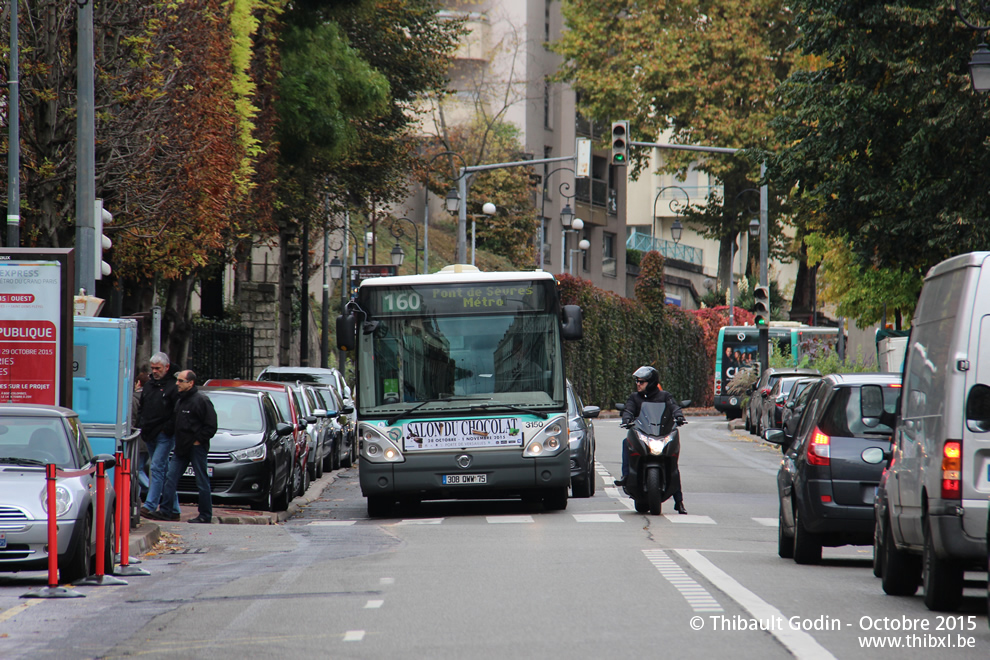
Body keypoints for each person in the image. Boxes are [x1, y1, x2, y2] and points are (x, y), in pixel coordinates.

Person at [614, 365, 688, 514]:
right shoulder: (634, 398)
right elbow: (628, 409)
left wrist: (679, 416)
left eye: (642, 381)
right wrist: (626, 418)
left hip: (661, 434)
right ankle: (626, 475)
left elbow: (674, 407)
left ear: (652, 382)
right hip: (643, 434)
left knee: (673, 463)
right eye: (637, 381)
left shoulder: (665, 396)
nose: (638, 384)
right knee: (625, 442)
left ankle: (679, 501)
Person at [151, 370, 218, 524]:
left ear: (191, 383)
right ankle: (166, 511)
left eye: (181, 381)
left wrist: (198, 440)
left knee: (201, 481)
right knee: (170, 478)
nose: (177, 384)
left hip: (196, 448)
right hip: (181, 447)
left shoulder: (201, 400)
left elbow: (211, 426)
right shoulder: (181, 401)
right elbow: (176, 422)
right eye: (177, 380)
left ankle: (205, 515)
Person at [138, 352, 181, 519]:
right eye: (153, 368)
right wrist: (142, 424)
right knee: (161, 470)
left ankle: (150, 505)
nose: (155, 371)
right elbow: (143, 406)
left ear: (167, 367)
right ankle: (174, 507)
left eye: (158, 368)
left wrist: (167, 429)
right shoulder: (149, 386)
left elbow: (175, 411)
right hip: (150, 433)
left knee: (156, 467)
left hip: (164, 434)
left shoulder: (172, 386)